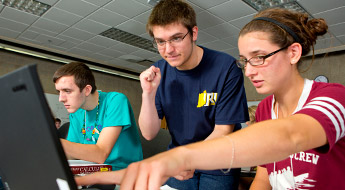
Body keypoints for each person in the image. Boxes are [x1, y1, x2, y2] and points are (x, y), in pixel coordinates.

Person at [75, 7, 345, 190]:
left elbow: (290, 137)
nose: (249, 70)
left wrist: (181, 158)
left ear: (293, 53)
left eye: (259, 58)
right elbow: (265, 176)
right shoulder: (265, 109)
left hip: (212, 164)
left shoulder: (334, 97)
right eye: (245, 60)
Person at [138, 0, 249, 189]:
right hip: (180, 161)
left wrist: (188, 159)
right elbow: (149, 133)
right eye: (161, 41)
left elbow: (223, 130)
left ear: (194, 33)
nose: (168, 50)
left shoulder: (226, 67)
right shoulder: (158, 71)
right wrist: (148, 94)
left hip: (218, 164)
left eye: (176, 38)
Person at [53, 62, 143, 171]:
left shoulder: (115, 101)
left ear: (87, 90)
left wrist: (52, 140)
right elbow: (72, 155)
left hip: (122, 173)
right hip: (93, 172)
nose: (61, 98)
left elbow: (101, 154)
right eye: (59, 92)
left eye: (67, 91)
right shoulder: (77, 112)